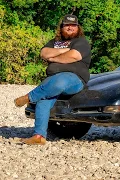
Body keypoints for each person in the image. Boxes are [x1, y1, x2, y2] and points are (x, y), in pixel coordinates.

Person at [14, 14, 91, 145]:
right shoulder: (54, 42)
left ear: (78, 28)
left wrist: (54, 58)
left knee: (60, 81)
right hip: (52, 80)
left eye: (73, 25)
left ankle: (29, 97)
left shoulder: (81, 42)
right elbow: (44, 53)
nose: (70, 28)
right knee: (44, 100)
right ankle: (39, 136)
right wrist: (64, 50)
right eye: (67, 25)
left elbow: (74, 56)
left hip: (74, 79)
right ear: (61, 27)